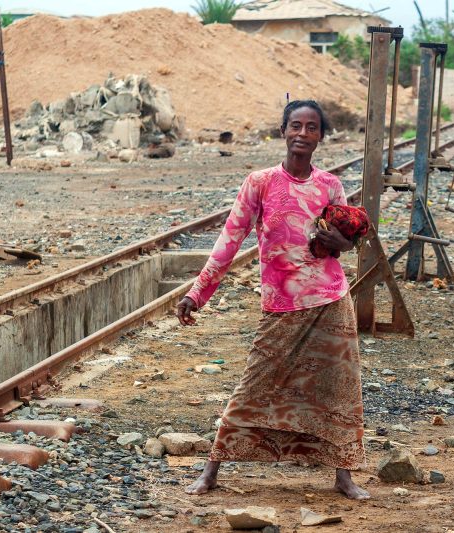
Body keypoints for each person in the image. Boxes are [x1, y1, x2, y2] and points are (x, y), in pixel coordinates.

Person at [176, 100, 370, 500]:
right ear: (283, 131)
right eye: (295, 126)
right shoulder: (260, 182)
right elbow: (228, 241)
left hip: (330, 301)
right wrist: (198, 292)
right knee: (253, 387)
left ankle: (344, 476)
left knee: (338, 390)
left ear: (320, 136)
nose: (302, 134)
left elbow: (345, 241)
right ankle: (212, 469)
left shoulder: (330, 185)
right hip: (280, 306)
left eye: (311, 127)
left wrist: (342, 243)